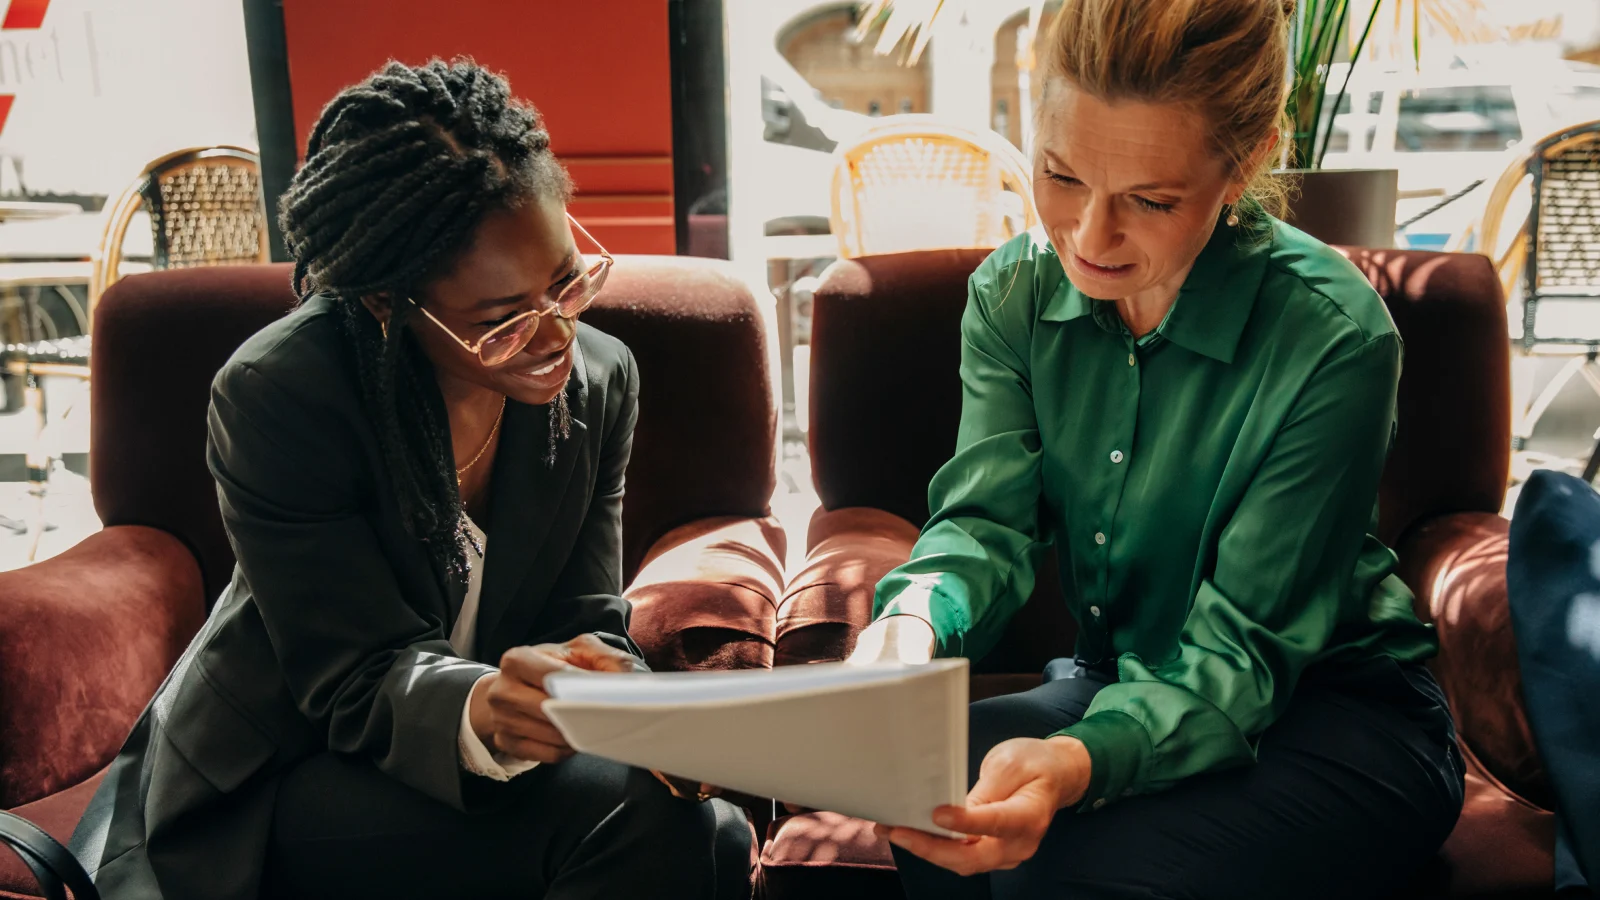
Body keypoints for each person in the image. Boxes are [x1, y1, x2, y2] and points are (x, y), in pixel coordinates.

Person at [69, 59, 752, 900]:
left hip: (472, 764)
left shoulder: (600, 380)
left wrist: (631, 709)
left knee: (709, 824)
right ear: (389, 305)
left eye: (568, 282)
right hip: (282, 773)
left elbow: (587, 615)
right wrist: (481, 712)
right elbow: (349, 677)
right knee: (647, 824)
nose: (554, 339)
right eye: (501, 324)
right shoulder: (282, 393)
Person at [845, 1, 1465, 896]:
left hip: (1338, 716)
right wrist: (910, 623)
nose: (1088, 240)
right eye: (1060, 177)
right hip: (1118, 681)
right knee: (923, 796)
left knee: (1061, 872)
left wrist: (1078, 762)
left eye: (1150, 199)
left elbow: (1245, 651)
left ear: (1244, 163)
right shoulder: (1012, 295)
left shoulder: (1334, 340)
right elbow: (983, 521)